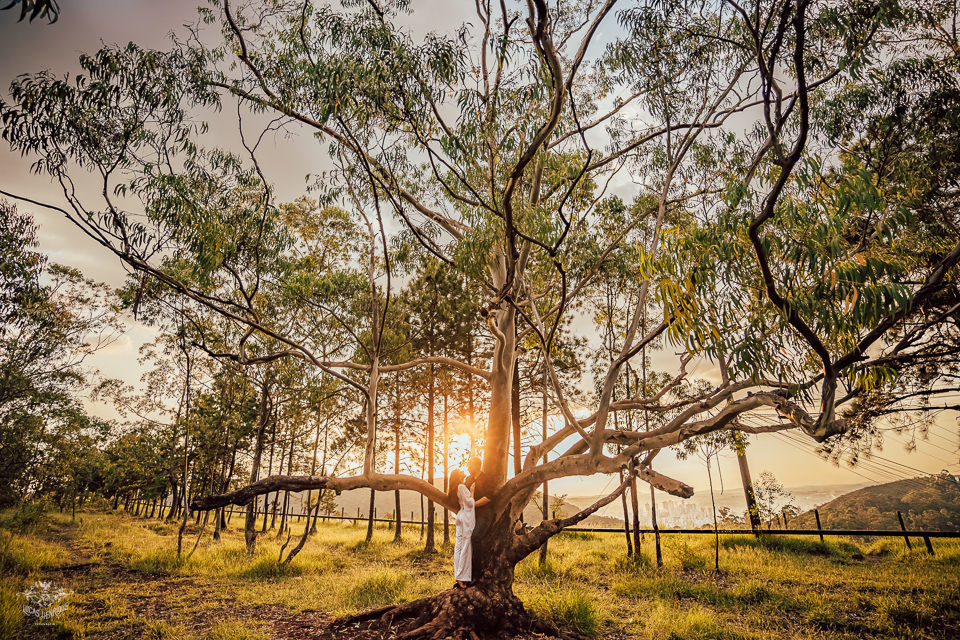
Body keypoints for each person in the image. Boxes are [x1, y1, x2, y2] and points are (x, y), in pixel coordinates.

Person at [449, 469, 474, 588]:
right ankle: (462, 577)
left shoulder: (455, 488)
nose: (463, 472)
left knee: (459, 546)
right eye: (460, 472)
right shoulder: (461, 487)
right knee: (465, 546)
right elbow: (469, 503)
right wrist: (473, 492)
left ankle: (458, 576)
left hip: (460, 515)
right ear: (458, 476)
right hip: (466, 517)